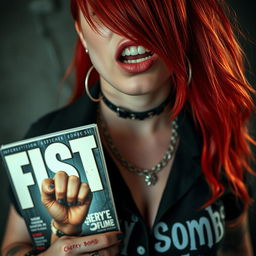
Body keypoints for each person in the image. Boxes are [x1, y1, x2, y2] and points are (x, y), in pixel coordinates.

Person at [1, 0, 255, 255]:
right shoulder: (45, 140)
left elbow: (236, 245)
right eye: (105, 15)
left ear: (182, 25)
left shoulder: (217, 126)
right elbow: (12, 247)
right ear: (81, 33)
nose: (131, 29)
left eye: (151, 10)